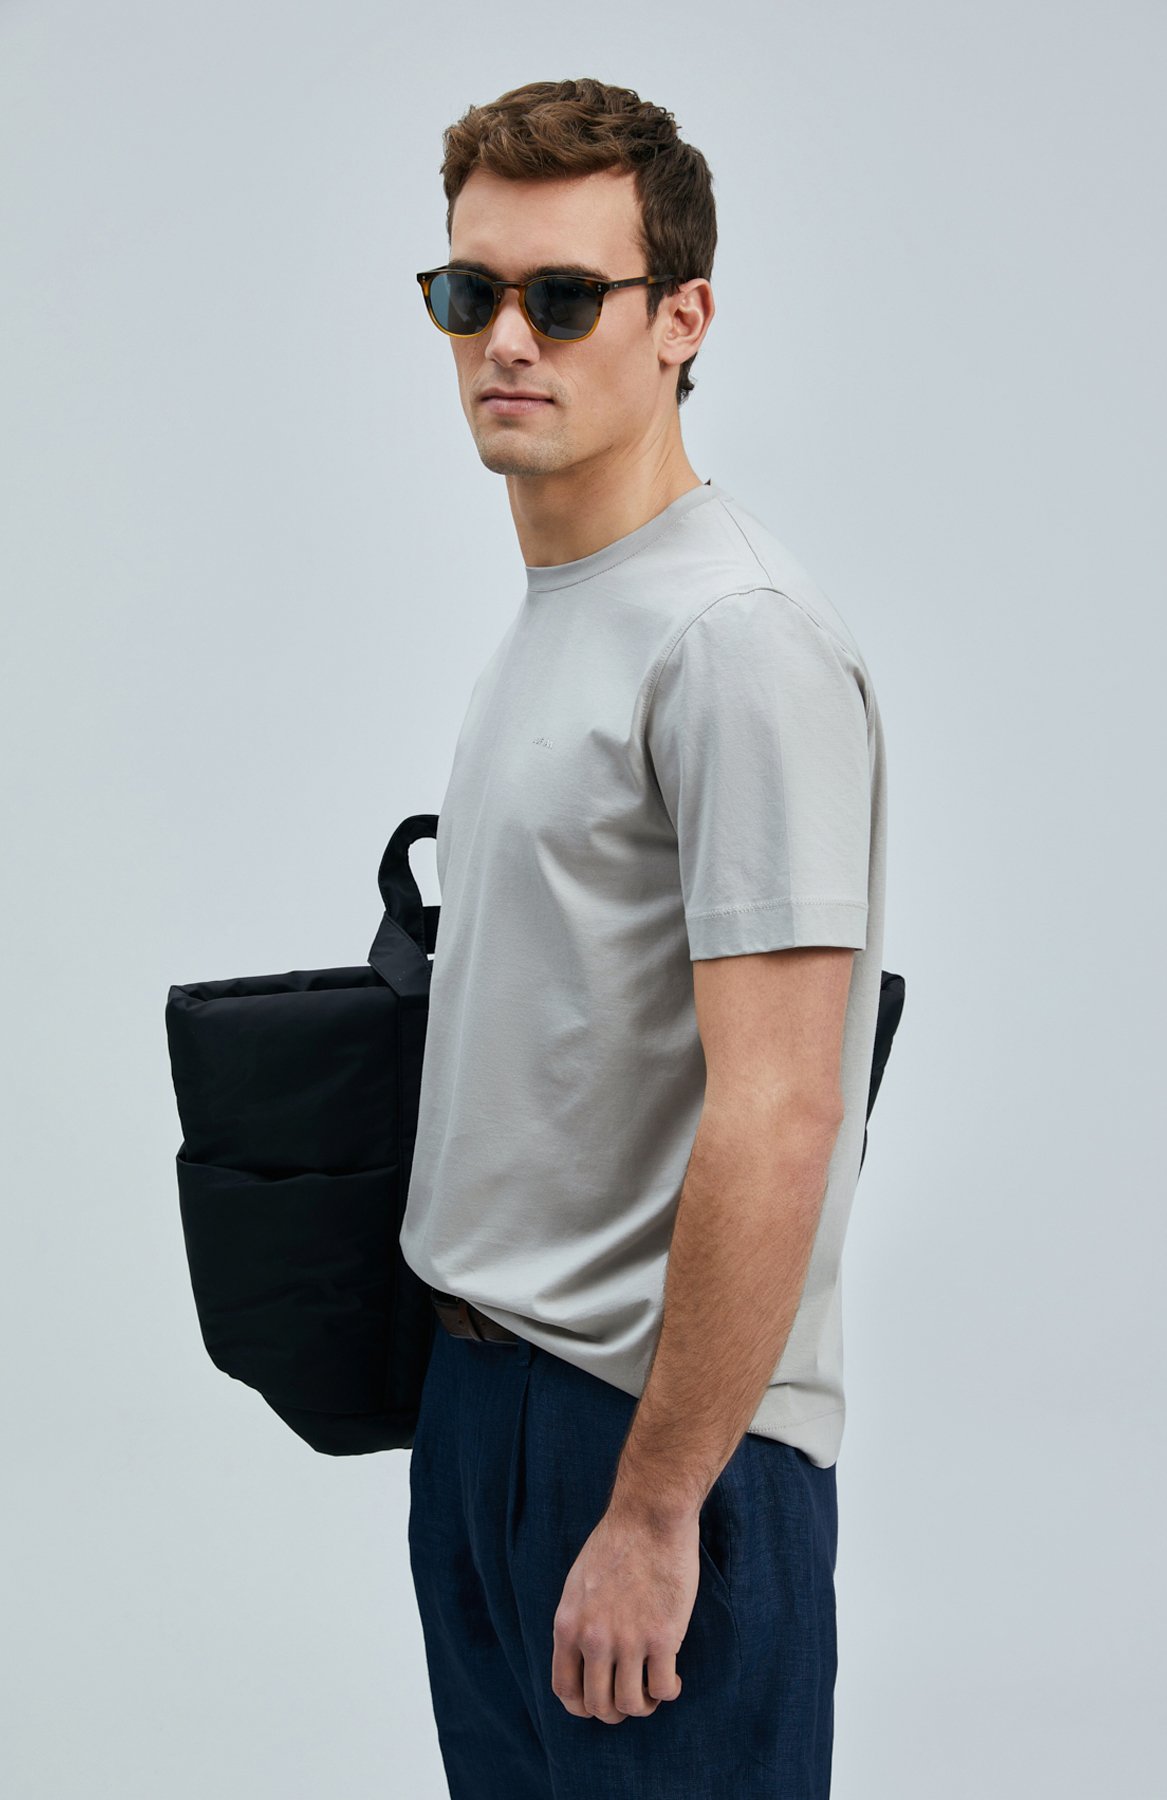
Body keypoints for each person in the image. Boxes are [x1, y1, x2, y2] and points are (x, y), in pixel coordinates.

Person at [399, 75, 888, 1800]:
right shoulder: (566, 612)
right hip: (489, 1409)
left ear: (682, 320)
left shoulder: (734, 639)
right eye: (469, 291)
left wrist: (660, 1505)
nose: (504, 339)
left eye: (562, 296)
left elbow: (785, 1109)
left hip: (656, 1434)